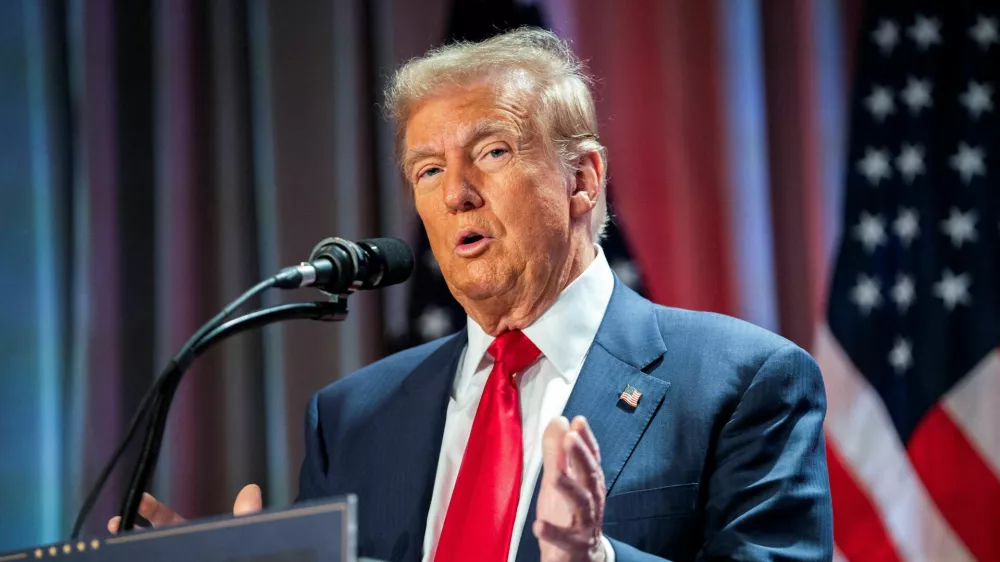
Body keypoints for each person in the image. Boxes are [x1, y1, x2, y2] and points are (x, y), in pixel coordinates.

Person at [110, 28, 833, 561]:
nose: (455, 194)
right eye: (427, 170)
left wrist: (593, 559)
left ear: (581, 179)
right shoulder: (352, 417)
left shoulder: (743, 382)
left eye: (491, 152)